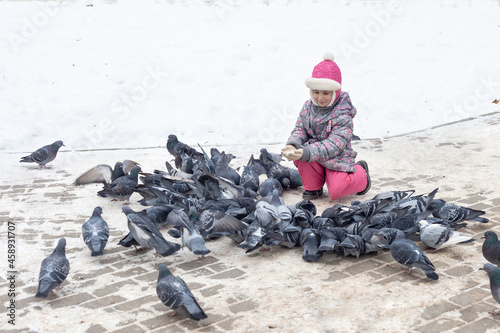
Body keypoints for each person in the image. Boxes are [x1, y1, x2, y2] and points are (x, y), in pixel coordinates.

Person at [281, 52, 370, 200]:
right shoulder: (308, 107)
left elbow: (335, 144)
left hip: (337, 157)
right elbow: (300, 129)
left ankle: (362, 174)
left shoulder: (343, 113)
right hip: (314, 155)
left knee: (337, 191)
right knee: (303, 157)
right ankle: (313, 187)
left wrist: (308, 151)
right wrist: (293, 145)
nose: (320, 98)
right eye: (316, 92)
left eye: (326, 93)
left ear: (336, 92)